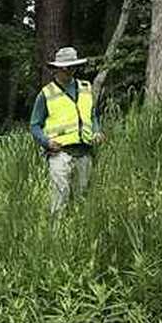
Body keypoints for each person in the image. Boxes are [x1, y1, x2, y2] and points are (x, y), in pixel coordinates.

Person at [30, 46, 106, 215]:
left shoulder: (86, 88)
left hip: (85, 152)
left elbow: (92, 116)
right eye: (66, 68)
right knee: (59, 199)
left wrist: (97, 131)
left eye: (73, 67)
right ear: (57, 69)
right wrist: (46, 142)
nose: (70, 71)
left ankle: (79, 230)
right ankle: (56, 230)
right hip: (59, 153)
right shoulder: (46, 94)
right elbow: (34, 126)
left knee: (82, 200)